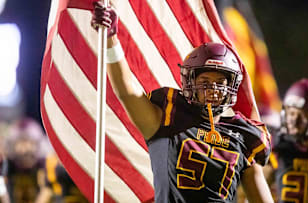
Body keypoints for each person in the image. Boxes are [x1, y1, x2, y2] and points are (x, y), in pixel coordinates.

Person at [91, 2, 273, 203]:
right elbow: (127, 92)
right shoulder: (169, 117)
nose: (213, 89)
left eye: (220, 82)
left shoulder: (242, 136)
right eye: (205, 82)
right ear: (189, 82)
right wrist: (111, 40)